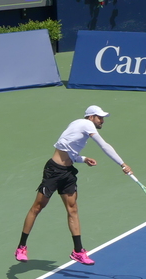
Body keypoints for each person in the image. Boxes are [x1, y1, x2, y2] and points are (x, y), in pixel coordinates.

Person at [15, 105, 132, 266]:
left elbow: (69, 153)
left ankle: (78, 251)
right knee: (37, 207)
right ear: (90, 117)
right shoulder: (86, 124)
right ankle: (21, 247)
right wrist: (122, 164)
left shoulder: (78, 128)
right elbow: (104, 145)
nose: (102, 121)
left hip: (68, 173)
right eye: (100, 117)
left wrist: (83, 159)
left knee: (73, 209)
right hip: (53, 171)